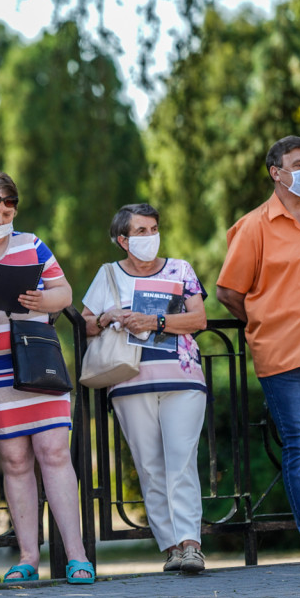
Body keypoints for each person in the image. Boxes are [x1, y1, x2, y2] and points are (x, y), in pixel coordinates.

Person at [0, 171, 94, 584]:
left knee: (54, 452)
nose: (0, 215)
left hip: (36, 361)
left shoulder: (31, 244)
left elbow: (64, 294)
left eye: (7, 208)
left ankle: (77, 555)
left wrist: (41, 298)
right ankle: (28, 557)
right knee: (14, 460)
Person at [217, 135, 300, 563]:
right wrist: (266, 322)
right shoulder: (255, 226)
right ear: (277, 172)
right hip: (285, 354)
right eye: (299, 162)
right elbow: (228, 290)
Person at [81, 203, 208, 574]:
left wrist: (155, 320)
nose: (149, 237)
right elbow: (85, 324)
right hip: (129, 380)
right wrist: (108, 317)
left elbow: (198, 318)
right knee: (150, 466)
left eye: (153, 229)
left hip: (182, 379)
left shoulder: (180, 268)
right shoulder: (108, 275)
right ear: (122, 239)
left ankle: (191, 545)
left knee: (181, 461)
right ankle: (170, 547)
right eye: (140, 231)